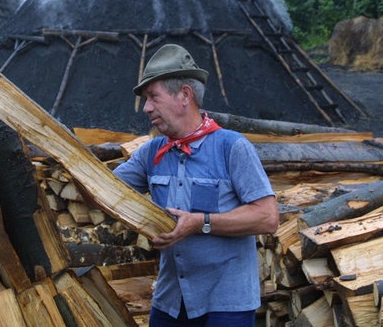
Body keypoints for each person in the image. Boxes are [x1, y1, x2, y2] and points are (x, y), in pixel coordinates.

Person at [113, 44, 279, 327]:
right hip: (171, 300)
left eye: (153, 96)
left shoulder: (232, 147)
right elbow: (104, 189)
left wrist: (199, 222)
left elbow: (267, 217)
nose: (147, 107)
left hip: (226, 303)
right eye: (145, 99)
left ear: (184, 95)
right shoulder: (151, 152)